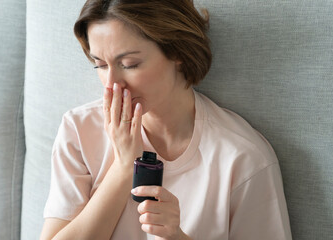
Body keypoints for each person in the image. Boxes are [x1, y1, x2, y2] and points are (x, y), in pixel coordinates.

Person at [40, 0, 292, 239]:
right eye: (101, 66)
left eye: (129, 64)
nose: (112, 84)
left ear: (177, 51)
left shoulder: (242, 159)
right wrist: (123, 168)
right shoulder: (79, 131)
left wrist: (177, 236)